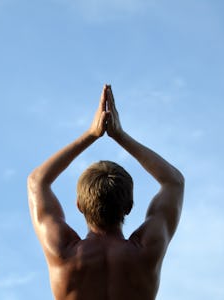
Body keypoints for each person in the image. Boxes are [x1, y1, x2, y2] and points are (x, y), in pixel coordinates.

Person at [27, 85, 185, 300]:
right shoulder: (147, 251)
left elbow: (37, 181)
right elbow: (173, 182)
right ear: (129, 206)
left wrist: (91, 134)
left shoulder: (63, 251)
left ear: (79, 206)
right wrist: (120, 136)